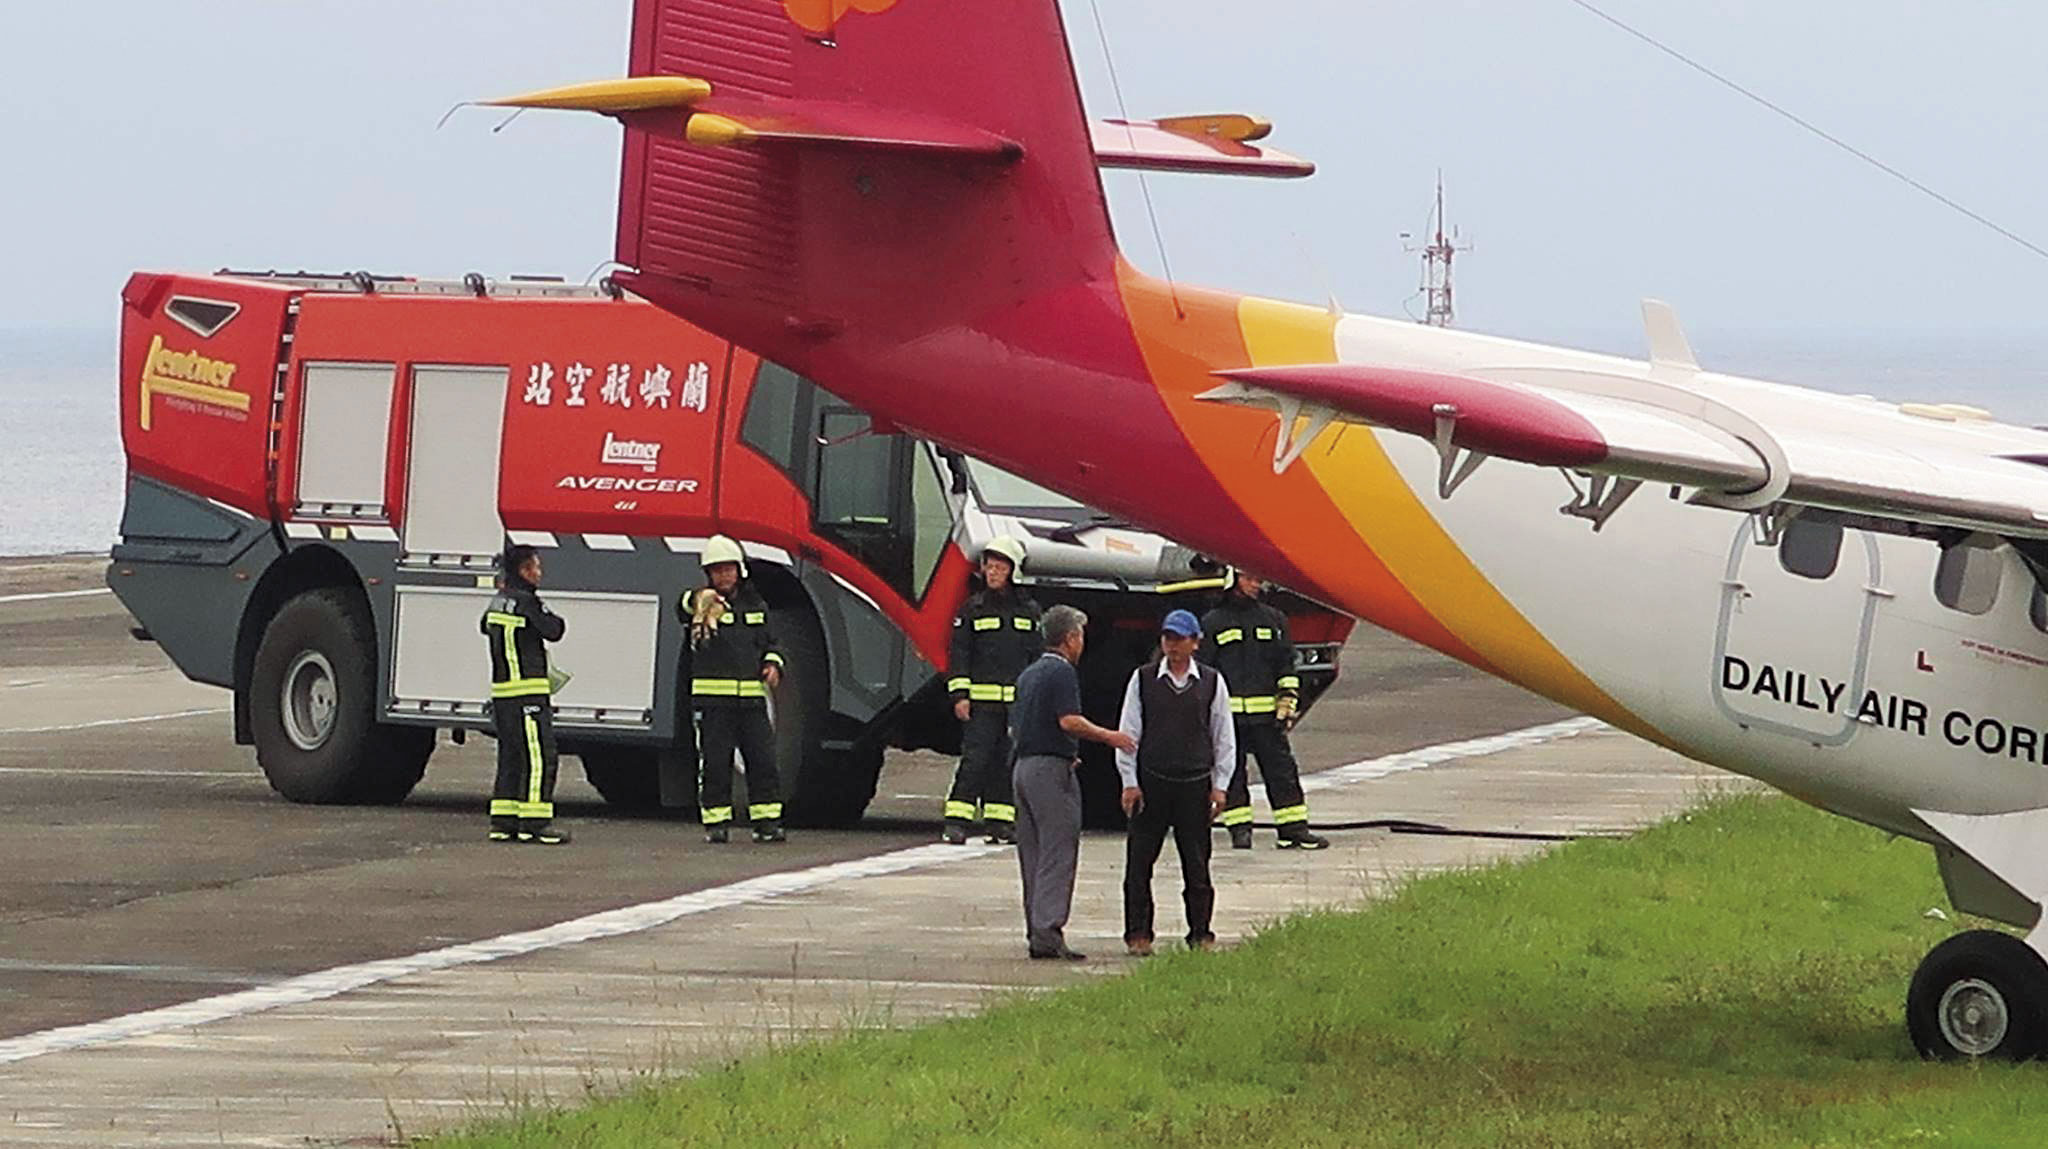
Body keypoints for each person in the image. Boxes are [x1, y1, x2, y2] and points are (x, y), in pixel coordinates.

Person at [1010, 604, 1136, 961]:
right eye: (1080, 635)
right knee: (1057, 851)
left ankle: (1036, 929)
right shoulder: (1062, 673)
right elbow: (1069, 720)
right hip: (1050, 771)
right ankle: (1049, 930)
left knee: (1032, 854)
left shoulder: (1028, 674)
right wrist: (1110, 736)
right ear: (1070, 638)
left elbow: (1018, 726)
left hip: (1023, 767)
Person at [1117, 610, 1236, 956]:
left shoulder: (1212, 682)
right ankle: (1138, 934)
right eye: (1167, 637)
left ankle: (1200, 933)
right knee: (1139, 864)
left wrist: (1220, 785)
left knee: (1197, 865)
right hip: (1152, 783)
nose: (1171, 645)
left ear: (1195, 642)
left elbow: (1223, 737)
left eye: (1179, 638)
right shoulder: (1143, 679)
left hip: (1195, 784)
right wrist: (1129, 780)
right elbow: (1130, 733)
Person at [1200, 572, 1329, 850]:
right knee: (1231, 774)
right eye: (1251, 579)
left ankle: (1293, 829)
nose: (1257, 585)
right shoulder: (1213, 622)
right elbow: (1204, 671)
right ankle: (1239, 829)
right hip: (1229, 718)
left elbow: (1286, 664)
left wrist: (1288, 697)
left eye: (1258, 581)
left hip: (1268, 717)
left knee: (1282, 772)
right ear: (1233, 580)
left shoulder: (1273, 618)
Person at [680, 535, 787, 844]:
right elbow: (683, 606)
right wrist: (698, 600)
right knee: (715, 763)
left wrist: (773, 664)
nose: (723, 576)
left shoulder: (756, 604)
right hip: (713, 702)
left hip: (752, 702)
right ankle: (716, 823)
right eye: (717, 571)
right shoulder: (702, 603)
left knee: (763, 761)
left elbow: (773, 641)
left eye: (728, 570)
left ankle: (767, 823)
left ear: (739, 571)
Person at [942, 536, 1041, 845]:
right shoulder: (972, 609)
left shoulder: (1029, 611)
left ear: (1013, 571)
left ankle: (1000, 822)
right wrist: (960, 696)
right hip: (981, 705)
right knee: (975, 760)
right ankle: (956, 820)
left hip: (1015, 705)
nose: (993, 573)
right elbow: (959, 655)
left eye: (1000, 567)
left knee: (1006, 762)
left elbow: (1036, 658)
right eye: (989, 567)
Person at [482, 543, 570, 845]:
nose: (539, 572)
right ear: (523, 570)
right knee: (540, 757)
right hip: (528, 694)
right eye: (535, 566)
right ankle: (535, 822)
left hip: (503, 695)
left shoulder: (497, 603)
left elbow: (485, 627)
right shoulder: (527, 601)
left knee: (511, 757)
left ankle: (503, 821)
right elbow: (554, 629)